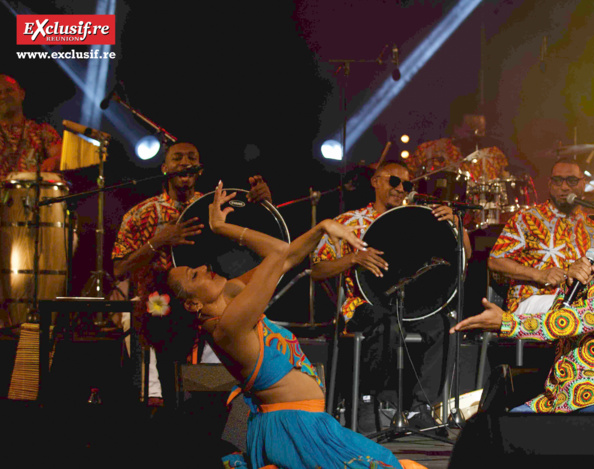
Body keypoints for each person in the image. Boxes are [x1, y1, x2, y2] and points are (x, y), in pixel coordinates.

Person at [142, 181, 426, 469]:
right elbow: (277, 251)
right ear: (192, 305)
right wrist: (221, 228)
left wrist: (322, 227)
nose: (204, 268)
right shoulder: (229, 326)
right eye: (194, 275)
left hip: (305, 425)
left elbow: (287, 258)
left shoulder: (229, 299)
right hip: (295, 431)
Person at [452, 192, 594, 413]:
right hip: (560, 399)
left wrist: (506, 323)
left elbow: (574, 321)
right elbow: (560, 315)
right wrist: (570, 283)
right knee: (497, 434)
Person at [311, 160, 471, 432]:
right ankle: (370, 403)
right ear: (375, 182)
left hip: (412, 306)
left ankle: (420, 407)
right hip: (364, 305)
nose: (400, 189)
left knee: (445, 325)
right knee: (387, 323)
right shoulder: (349, 222)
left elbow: (460, 263)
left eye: (406, 185)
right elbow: (317, 270)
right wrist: (353, 259)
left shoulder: (417, 220)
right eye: (393, 182)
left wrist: (456, 226)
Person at [111, 141, 272, 404]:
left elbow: (259, 244)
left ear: (199, 170)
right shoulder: (140, 214)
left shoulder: (215, 207)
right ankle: (155, 400)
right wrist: (158, 241)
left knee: (233, 381)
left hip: (206, 304)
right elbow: (119, 268)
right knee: (147, 311)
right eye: (177, 158)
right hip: (157, 304)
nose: (185, 162)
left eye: (191, 158)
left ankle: (227, 414)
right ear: (164, 169)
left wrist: (263, 204)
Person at [488, 157, 594, 316]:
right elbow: (495, 261)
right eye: (557, 181)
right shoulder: (526, 219)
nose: (564, 187)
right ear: (549, 184)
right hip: (532, 299)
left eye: (572, 181)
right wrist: (539, 275)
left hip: (579, 300)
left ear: (584, 183)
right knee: (578, 310)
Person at [407, 114, 508, 182]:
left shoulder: (494, 156)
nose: (477, 137)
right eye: (471, 132)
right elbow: (407, 180)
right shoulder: (429, 151)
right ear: (456, 129)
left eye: (481, 132)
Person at [0, 74, 61, 180]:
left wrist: (55, 160)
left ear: (22, 94)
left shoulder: (42, 131)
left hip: (35, 194)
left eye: (9, 90)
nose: (3, 96)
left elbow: (62, 154)